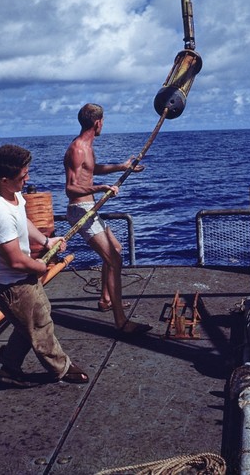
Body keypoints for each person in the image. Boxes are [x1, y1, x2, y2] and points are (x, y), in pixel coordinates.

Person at [0, 144, 89, 387]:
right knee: (40, 325)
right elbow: (16, 261)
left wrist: (45, 240)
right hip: (11, 283)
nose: (28, 178)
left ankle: (9, 364)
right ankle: (60, 369)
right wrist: (41, 267)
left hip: (15, 276)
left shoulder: (10, 193)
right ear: (4, 178)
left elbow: (23, 219)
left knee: (29, 321)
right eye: (23, 176)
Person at [64, 103, 152, 336]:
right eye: (103, 121)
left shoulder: (88, 148)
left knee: (116, 248)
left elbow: (91, 170)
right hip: (80, 210)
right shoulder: (78, 149)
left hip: (89, 208)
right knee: (114, 260)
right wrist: (101, 187)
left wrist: (122, 167)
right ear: (97, 122)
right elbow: (71, 188)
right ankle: (121, 322)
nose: (104, 124)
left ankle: (105, 299)